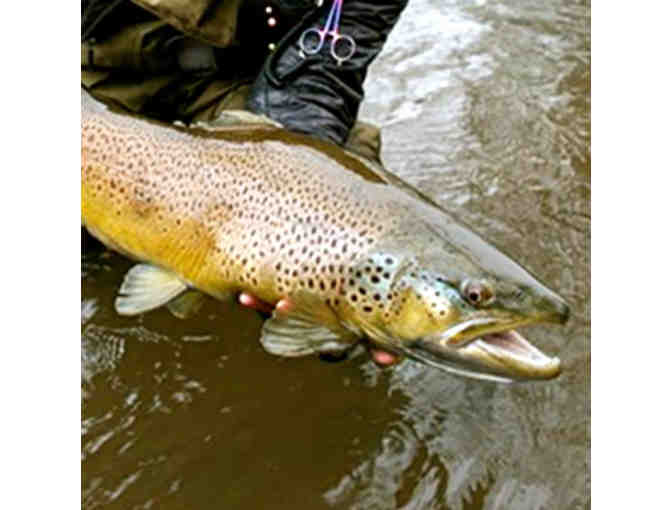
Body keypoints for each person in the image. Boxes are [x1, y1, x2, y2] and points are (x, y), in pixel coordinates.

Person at [82, 0, 408, 366]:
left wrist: (296, 145)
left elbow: (347, 33)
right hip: (96, 58)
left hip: (241, 71)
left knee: (346, 195)